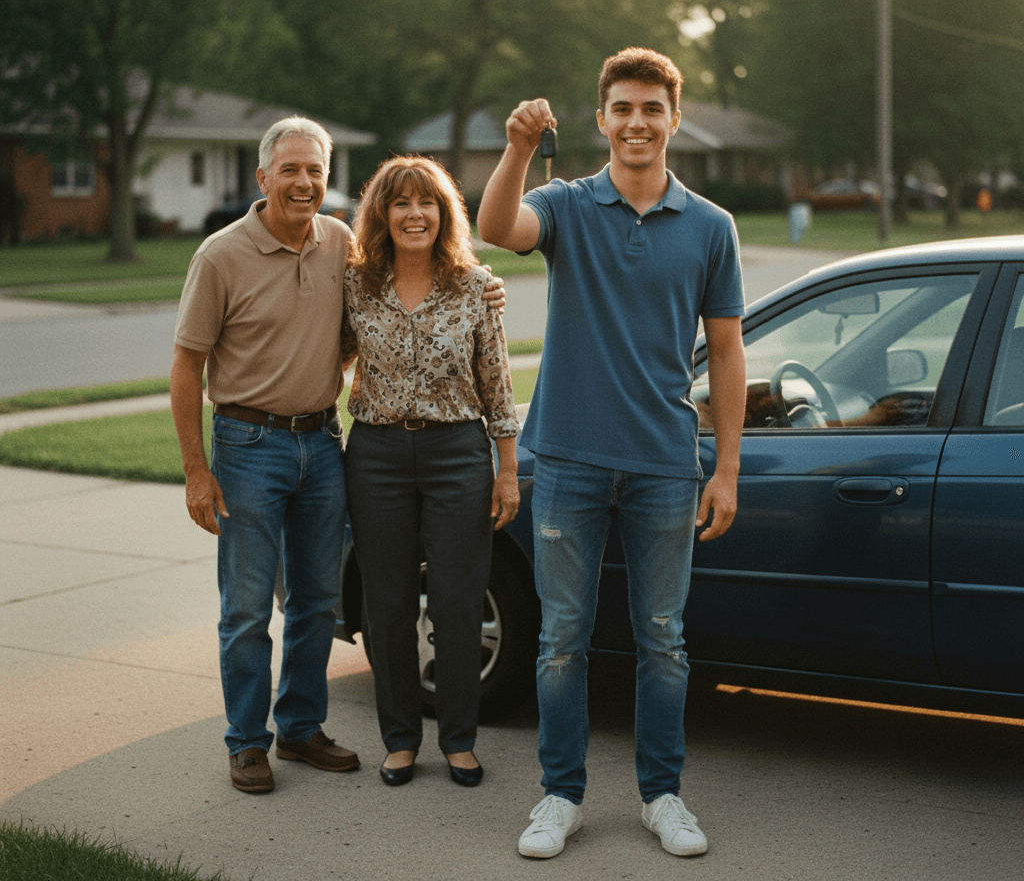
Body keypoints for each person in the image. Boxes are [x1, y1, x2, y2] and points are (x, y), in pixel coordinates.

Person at [170, 116, 507, 794]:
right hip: (259, 445)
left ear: (328, 180)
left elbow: (395, 339)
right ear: (262, 177)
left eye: (315, 171)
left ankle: (301, 729)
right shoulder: (232, 256)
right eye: (289, 170)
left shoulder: (345, 246)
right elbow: (187, 366)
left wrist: (481, 289)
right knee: (253, 608)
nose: (302, 182)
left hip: (330, 443)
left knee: (321, 602)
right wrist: (195, 470)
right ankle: (251, 741)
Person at [477, 48, 747, 858]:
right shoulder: (564, 204)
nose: (637, 123)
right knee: (562, 638)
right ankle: (559, 795)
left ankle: (663, 795)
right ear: (601, 120)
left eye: (651, 109)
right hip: (566, 459)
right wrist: (520, 146)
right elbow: (496, 228)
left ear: (673, 120)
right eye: (622, 109)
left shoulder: (710, 227)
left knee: (663, 638)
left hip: (667, 463)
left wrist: (726, 467)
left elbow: (727, 355)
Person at [342, 155, 520, 790]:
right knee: (385, 600)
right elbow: (324, 351)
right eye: (400, 203)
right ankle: (399, 740)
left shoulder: (474, 287)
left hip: (457, 456)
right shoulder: (356, 285)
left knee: (457, 598)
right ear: (382, 215)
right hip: (378, 455)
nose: (414, 214)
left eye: (427, 203)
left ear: (443, 213)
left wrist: (505, 470)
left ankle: (459, 741)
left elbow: (497, 384)